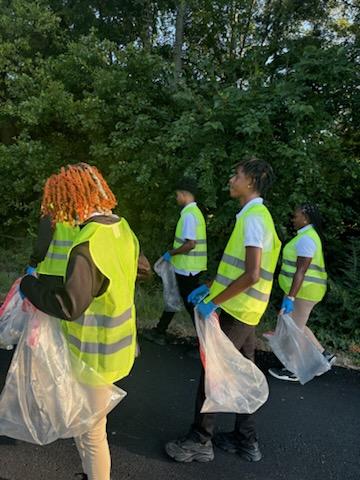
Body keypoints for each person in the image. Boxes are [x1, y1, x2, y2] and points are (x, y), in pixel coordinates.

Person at [20, 163, 145, 480]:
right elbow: (135, 273)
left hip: (94, 355)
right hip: (119, 346)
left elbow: (68, 305)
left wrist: (28, 286)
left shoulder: (86, 244)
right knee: (90, 426)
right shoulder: (120, 228)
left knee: (91, 434)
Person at [165, 157, 281, 463]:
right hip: (246, 309)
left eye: (237, 175)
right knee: (244, 371)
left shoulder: (254, 218)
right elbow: (238, 268)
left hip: (237, 309)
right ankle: (246, 440)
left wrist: (215, 302)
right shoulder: (254, 215)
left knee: (212, 373)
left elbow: (252, 273)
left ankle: (200, 440)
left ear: (251, 182)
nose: (231, 179)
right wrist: (213, 288)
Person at [268, 203, 335, 382]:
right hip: (302, 291)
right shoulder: (307, 236)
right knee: (297, 324)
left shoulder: (307, 239)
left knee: (294, 329)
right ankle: (323, 355)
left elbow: (301, 271)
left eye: (296, 215)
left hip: (303, 292)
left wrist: (290, 297)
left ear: (305, 218)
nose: (293, 218)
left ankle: (293, 370)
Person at [144, 177, 207, 345]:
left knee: (191, 306)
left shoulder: (188, 216)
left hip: (187, 269)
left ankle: (205, 343)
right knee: (174, 297)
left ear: (184, 194)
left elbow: (190, 244)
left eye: (177, 194)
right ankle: (159, 330)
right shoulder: (195, 213)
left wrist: (170, 253)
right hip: (190, 268)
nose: (176, 198)